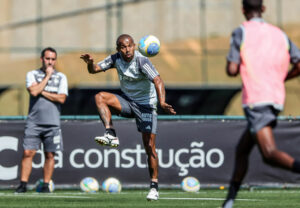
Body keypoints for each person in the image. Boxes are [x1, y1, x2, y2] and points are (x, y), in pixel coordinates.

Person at [222, 0, 300, 207]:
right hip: (274, 97)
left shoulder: (241, 31)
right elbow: (299, 63)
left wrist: (235, 63)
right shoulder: (279, 33)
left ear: (243, 10)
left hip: (257, 99)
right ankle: (228, 202)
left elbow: (231, 69)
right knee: (242, 151)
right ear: (263, 9)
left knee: (269, 154)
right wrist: (282, 77)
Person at [80, 34, 176, 201]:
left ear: (134, 46)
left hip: (146, 105)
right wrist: (89, 63)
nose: (127, 50)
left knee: (149, 146)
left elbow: (158, 80)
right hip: (128, 101)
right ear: (118, 49)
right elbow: (94, 70)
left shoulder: (142, 61)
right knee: (100, 97)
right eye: (123, 47)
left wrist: (162, 101)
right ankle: (110, 134)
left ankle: (154, 187)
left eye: (130, 46)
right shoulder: (115, 59)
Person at [15, 47, 68, 193]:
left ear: (55, 60)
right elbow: (33, 91)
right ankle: (23, 185)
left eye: (53, 59)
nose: (50, 62)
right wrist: (47, 78)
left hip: (53, 123)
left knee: (50, 154)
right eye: (47, 58)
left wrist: (41, 91)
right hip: (34, 122)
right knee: (28, 153)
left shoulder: (62, 77)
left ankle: (46, 185)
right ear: (42, 59)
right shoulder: (32, 74)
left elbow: (62, 98)